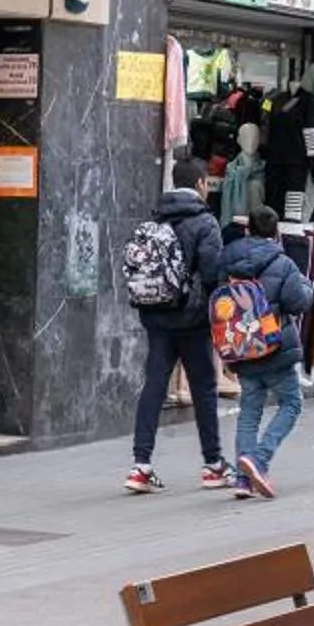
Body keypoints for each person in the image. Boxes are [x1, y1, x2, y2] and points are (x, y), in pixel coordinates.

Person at [126, 157, 234, 493]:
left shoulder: (156, 216)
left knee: (154, 386)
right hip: (191, 319)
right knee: (203, 388)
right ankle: (213, 464)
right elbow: (213, 272)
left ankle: (140, 466)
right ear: (202, 183)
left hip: (156, 315)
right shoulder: (205, 222)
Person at [222, 208, 314, 500]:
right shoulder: (283, 263)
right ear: (275, 233)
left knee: (249, 411)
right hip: (275, 348)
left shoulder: (227, 260)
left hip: (241, 347)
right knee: (291, 403)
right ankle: (259, 460)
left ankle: (242, 479)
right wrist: (307, 286)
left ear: (248, 230)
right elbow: (297, 303)